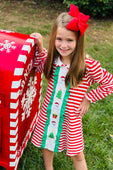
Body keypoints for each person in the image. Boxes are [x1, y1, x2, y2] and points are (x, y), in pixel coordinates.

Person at [31, 4, 113, 170]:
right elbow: (39, 67)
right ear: (54, 37)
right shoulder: (53, 60)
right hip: (49, 113)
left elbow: (109, 83)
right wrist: (39, 46)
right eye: (59, 39)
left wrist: (88, 97)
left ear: (78, 41)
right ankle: (49, 168)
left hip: (71, 118)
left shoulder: (88, 65)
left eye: (70, 40)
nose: (63, 45)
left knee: (76, 153)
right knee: (47, 143)